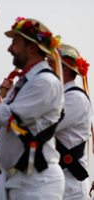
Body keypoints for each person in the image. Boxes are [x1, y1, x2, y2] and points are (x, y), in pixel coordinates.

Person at [0, 17, 65, 200]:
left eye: (15, 43)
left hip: (35, 183)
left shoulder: (45, 82)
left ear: (32, 47)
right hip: (13, 182)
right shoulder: (24, 83)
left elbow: (7, 118)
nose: (9, 49)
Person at [48, 44, 92, 200]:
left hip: (70, 188)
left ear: (65, 69)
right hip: (55, 184)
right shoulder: (58, 97)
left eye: (50, 64)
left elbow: (40, 127)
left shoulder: (74, 98)